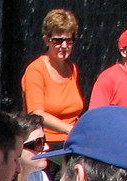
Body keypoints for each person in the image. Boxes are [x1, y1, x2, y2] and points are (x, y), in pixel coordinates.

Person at [21, 8, 84, 150]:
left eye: (69, 40)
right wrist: (69, 129)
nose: (64, 46)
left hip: (72, 143)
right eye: (58, 40)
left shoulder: (72, 69)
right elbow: (36, 114)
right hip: (45, 145)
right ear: (47, 40)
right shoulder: (36, 69)